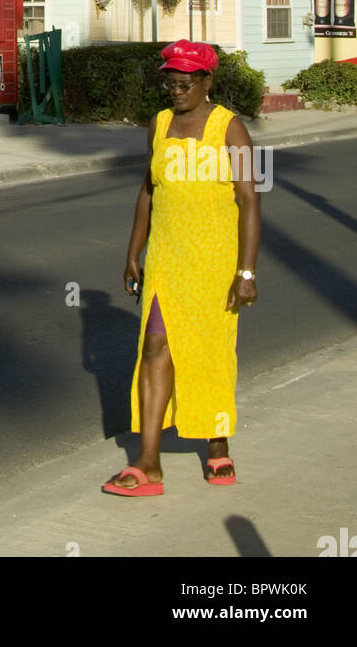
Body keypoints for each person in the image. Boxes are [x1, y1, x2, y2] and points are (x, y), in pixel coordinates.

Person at [102, 39, 261, 496]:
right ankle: (148, 462)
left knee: (209, 351)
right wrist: (134, 251)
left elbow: (250, 200)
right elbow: (148, 190)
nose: (176, 90)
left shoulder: (231, 129)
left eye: (185, 82)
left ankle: (216, 443)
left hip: (214, 259)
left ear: (206, 81)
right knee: (154, 349)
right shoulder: (159, 124)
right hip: (167, 259)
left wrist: (245, 272)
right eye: (171, 82)